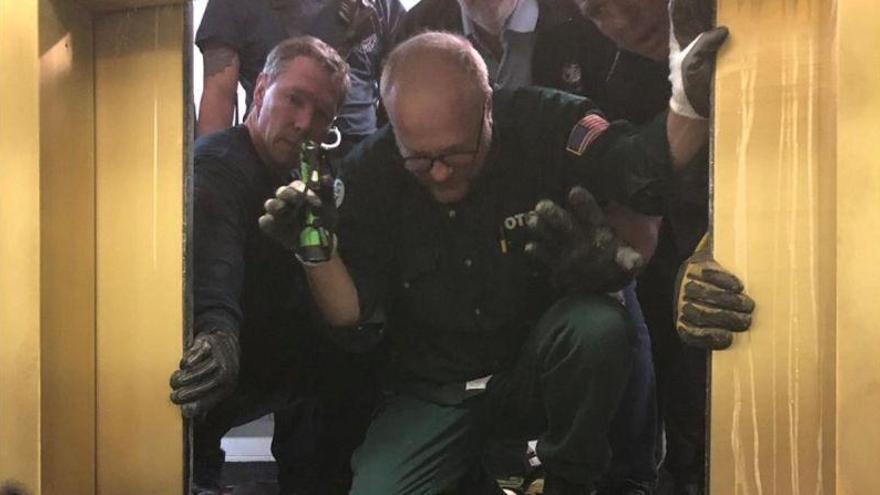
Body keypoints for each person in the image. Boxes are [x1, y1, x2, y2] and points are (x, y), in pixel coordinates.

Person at [259, 31, 725, 495]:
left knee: (599, 325)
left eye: (456, 154)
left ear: (488, 107)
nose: (439, 172)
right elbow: (352, 318)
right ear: (392, 124)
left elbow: (636, 169)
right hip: (434, 390)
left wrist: (689, 104)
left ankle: (569, 482)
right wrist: (313, 250)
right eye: (420, 160)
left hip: (537, 370)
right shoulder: (368, 174)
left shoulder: (550, 122)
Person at [169, 37, 375, 495]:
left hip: (279, 357)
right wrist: (216, 332)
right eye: (294, 100)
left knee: (354, 361)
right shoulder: (218, 166)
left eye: (321, 114)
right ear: (260, 91)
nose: (304, 123)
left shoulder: (308, 176)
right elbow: (212, 252)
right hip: (211, 359)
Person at [195, 0, 404, 153]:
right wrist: (209, 169)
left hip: (361, 159)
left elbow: (405, 88)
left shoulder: (381, 5)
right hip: (273, 156)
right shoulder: (233, 5)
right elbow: (219, 95)